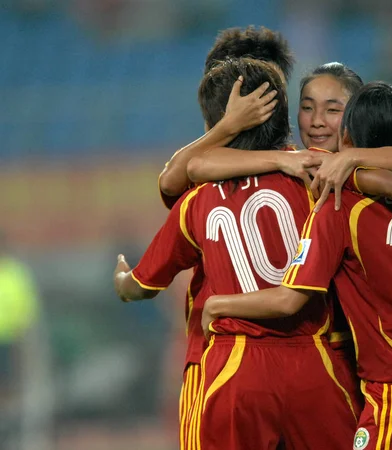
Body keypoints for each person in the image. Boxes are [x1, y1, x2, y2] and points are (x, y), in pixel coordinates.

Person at [200, 82, 392, 450]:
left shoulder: (339, 205)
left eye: (333, 111)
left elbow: (288, 300)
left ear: (346, 133)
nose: (319, 123)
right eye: (309, 107)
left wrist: (218, 304)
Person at [114, 58, 358, 450]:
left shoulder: (196, 201)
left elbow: (139, 286)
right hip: (318, 361)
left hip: (233, 363)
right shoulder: (323, 182)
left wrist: (122, 279)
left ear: (213, 127)